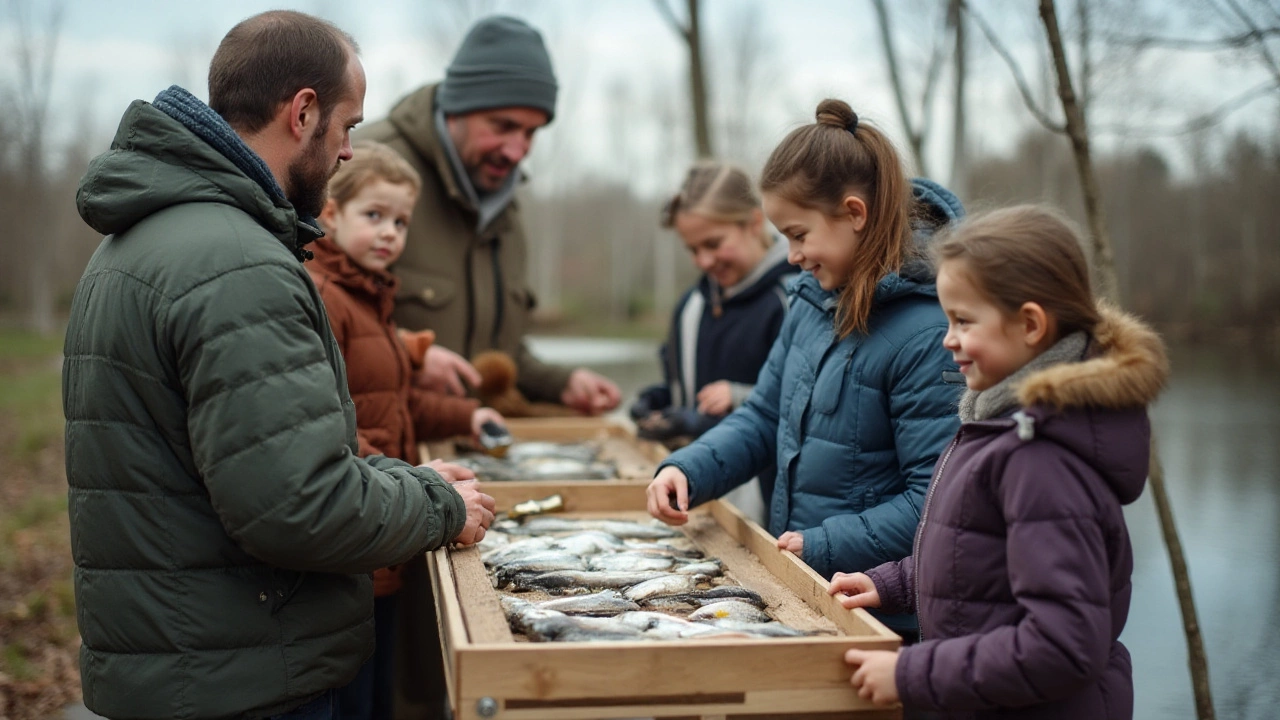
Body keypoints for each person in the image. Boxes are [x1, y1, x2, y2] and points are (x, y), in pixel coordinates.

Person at [63, 11, 495, 720]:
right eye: (348, 127)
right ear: (303, 112)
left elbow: (252, 462)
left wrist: (403, 478)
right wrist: (438, 506)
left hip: (190, 667)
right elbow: (295, 507)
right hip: (244, 681)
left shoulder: (141, 240)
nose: (350, 152)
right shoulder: (236, 264)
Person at [829, 205, 1169, 719]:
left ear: (1030, 325)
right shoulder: (1002, 425)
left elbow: (1062, 647)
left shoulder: (1042, 455)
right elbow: (979, 559)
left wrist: (911, 673)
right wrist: (894, 583)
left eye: (963, 321)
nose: (948, 339)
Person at [645, 99, 964, 640]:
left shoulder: (930, 335)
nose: (790, 256)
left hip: (884, 621)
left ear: (854, 214)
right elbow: (764, 415)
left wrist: (822, 543)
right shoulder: (813, 304)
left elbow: (936, 502)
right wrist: (690, 469)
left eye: (798, 234)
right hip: (803, 593)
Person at [307, 140, 506, 720]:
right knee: (351, 697)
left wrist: (467, 416)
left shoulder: (372, 298)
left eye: (400, 221)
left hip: (386, 542)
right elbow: (329, 426)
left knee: (378, 696)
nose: (390, 232)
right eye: (374, 216)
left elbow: (394, 402)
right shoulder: (324, 297)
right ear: (330, 214)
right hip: (353, 544)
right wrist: (412, 483)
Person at [357, 15, 620, 415]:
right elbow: (309, 328)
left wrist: (561, 383)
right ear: (456, 109)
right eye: (503, 126)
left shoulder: (505, 206)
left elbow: (497, 352)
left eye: (531, 133)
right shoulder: (362, 169)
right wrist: (406, 357)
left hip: (471, 447)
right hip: (382, 457)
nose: (517, 151)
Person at [630, 161, 797, 520]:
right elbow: (682, 387)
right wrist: (657, 403)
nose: (704, 260)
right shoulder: (692, 305)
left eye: (714, 244)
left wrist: (735, 398)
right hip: (695, 487)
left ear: (754, 222)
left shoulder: (795, 297)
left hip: (763, 506)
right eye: (692, 249)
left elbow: (798, 404)